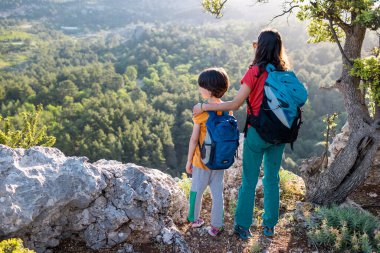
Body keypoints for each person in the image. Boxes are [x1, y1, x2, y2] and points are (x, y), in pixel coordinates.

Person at [193, 29, 290, 239]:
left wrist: (203, 107)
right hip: (280, 134)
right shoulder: (284, 72)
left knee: (249, 180)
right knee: (272, 179)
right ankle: (269, 226)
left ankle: (243, 226)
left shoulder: (254, 71)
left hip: (257, 134)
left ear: (260, 47)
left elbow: (236, 104)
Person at [186, 67, 230, 237]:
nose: (199, 88)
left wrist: (189, 161)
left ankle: (194, 219)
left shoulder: (201, 112)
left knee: (196, 190)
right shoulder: (227, 109)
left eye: (201, 86)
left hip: (201, 161)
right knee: (217, 194)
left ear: (209, 89)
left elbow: (193, 139)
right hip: (220, 160)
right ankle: (216, 226)